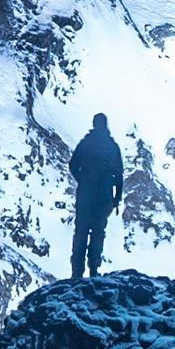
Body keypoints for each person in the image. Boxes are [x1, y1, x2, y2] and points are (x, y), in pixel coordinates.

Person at [68, 111, 124, 281]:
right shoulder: (112, 147)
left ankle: (77, 273)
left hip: (86, 194)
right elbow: (119, 175)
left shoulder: (87, 143)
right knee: (98, 231)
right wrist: (116, 198)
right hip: (104, 196)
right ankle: (94, 270)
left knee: (81, 231)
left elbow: (72, 165)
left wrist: (83, 180)